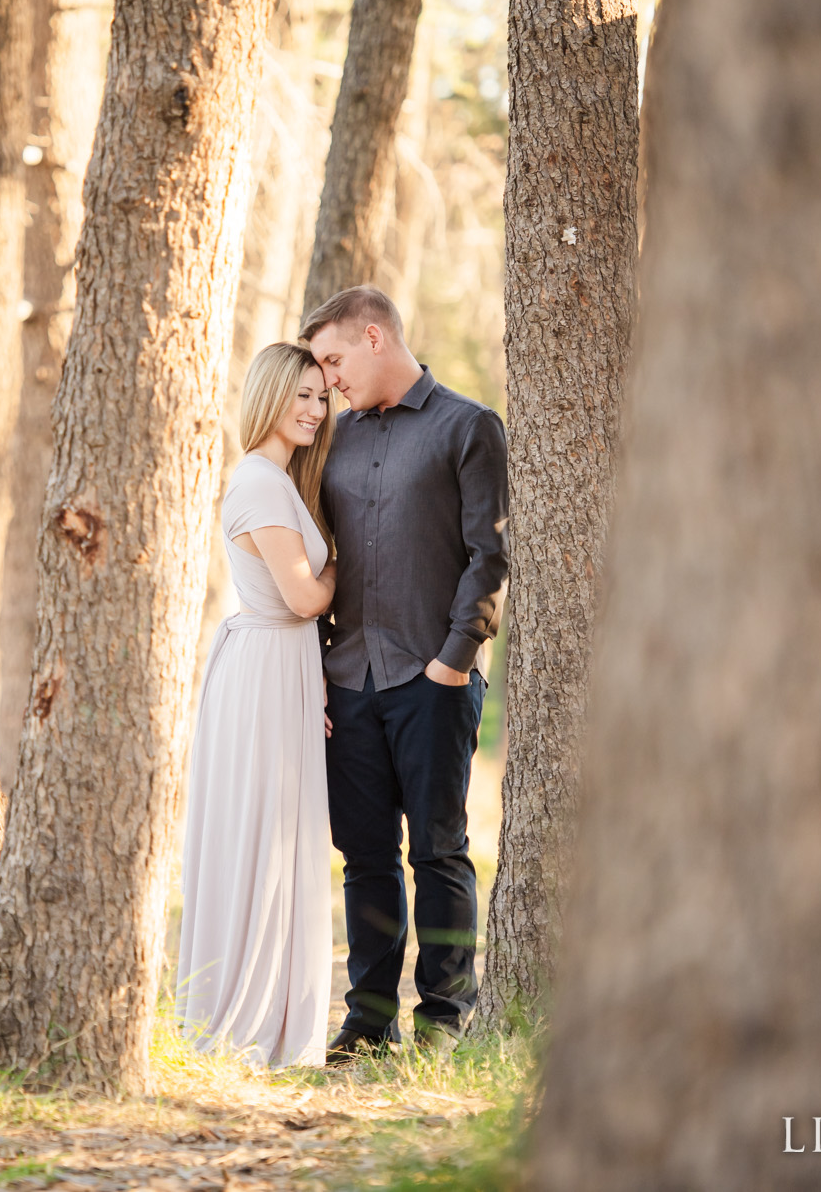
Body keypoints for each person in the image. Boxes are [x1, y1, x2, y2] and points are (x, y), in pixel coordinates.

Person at [300, 287, 508, 1062]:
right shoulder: (334, 440)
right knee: (366, 858)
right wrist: (317, 664)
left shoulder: (468, 426)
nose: (327, 379)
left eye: (333, 358)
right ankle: (368, 1019)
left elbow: (489, 555)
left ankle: (445, 1016)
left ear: (375, 337)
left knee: (440, 851)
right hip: (348, 680)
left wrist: (453, 662)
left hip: (434, 681)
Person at [175, 342, 338, 1068]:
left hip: (283, 664)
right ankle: (249, 1013)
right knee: (262, 835)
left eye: (321, 396)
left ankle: (270, 1008)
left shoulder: (281, 481)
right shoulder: (262, 482)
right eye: (300, 394)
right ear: (270, 397)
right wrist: (344, 565)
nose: (313, 408)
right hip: (267, 662)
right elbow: (304, 596)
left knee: (281, 836)